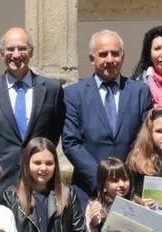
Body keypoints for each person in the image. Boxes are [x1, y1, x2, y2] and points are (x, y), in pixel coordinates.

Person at [0, 27, 65, 199]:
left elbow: (53, 135)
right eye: (10, 49)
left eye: (22, 48)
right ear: (1, 53)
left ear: (32, 52)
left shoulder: (51, 89)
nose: (16, 54)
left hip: (39, 184)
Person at [63, 30, 154, 209]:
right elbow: (71, 142)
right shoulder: (73, 94)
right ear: (92, 58)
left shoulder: (140, 92)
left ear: (123, 56)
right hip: (89, 190)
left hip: (131, 189)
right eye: (103, 54)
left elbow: (145, 140)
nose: (109, 59)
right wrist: (102, 180)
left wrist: (124, 179)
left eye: (115, 53)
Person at [2, 138, 89, 232]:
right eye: (37, 163)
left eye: (49, 163)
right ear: (27, 163)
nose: (43, 168)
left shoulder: (67, 194)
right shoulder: (11, 197)